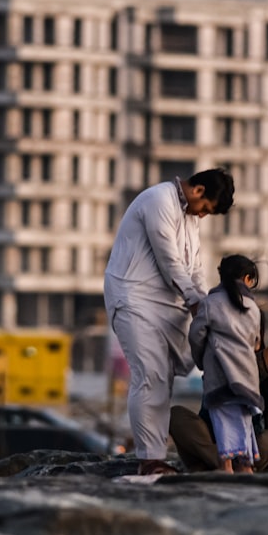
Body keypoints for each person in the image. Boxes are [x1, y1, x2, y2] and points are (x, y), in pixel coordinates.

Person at [104, 168, 235, 476]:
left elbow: (195, 269)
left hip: (166, 304)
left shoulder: (189, 216)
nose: (203, 216)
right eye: (205, 208)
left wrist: (206, 306)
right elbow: (170, 262)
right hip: (132, 296)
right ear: (199, 190)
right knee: (149, 374)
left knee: (164, 376)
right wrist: (194, 303)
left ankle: (157, 456)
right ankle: (149, 460)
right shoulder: (158, 199)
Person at [170, 310, 268, 472]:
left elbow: (255, 370)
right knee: (176, 415)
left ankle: (225, 464)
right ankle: (219, 461)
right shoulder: (217, 358)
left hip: (249, 448)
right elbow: (239, 373)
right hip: (212, 440)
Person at [187, 255, 264, 473]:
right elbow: (255, 342)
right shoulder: (253, 307)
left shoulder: (211, 303)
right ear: (247, 279)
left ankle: (226, 467)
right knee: (243, 424)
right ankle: (245, 468)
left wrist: (202, 358)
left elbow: (196, 335)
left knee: (223, 428)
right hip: (247, 378)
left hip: (219, 377)